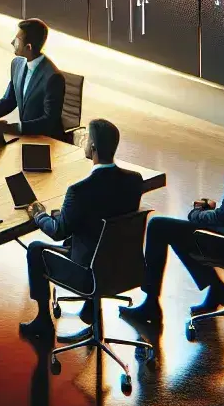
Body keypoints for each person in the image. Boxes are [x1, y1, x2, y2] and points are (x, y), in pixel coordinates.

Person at [122, 89, 224, 328]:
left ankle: (151, 305)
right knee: (182, 231)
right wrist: (216, 206)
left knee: (160, 226)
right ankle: (216, 289)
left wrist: (199, 214)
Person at [17, 119, 144, 343]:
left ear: (93, 148)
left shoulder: (79, 191)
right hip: (122, 267)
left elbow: (58, 232)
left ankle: (43, 322)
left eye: (87, 139)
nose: (84, 141)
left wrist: (40, 215)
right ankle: (89, 311)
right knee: (84, 240)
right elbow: (105, 216)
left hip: (89, 275)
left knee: (36, 249)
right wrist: (65, 215)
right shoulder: (134, 181)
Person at [0, 17, 66, 138]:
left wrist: (17, 127)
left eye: (17, 40)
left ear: (28, 47)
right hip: (26, 137)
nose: (12, 43)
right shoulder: (17, 64)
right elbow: (9, 99)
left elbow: (49, 121)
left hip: (47, 141)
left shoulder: (53, 78)